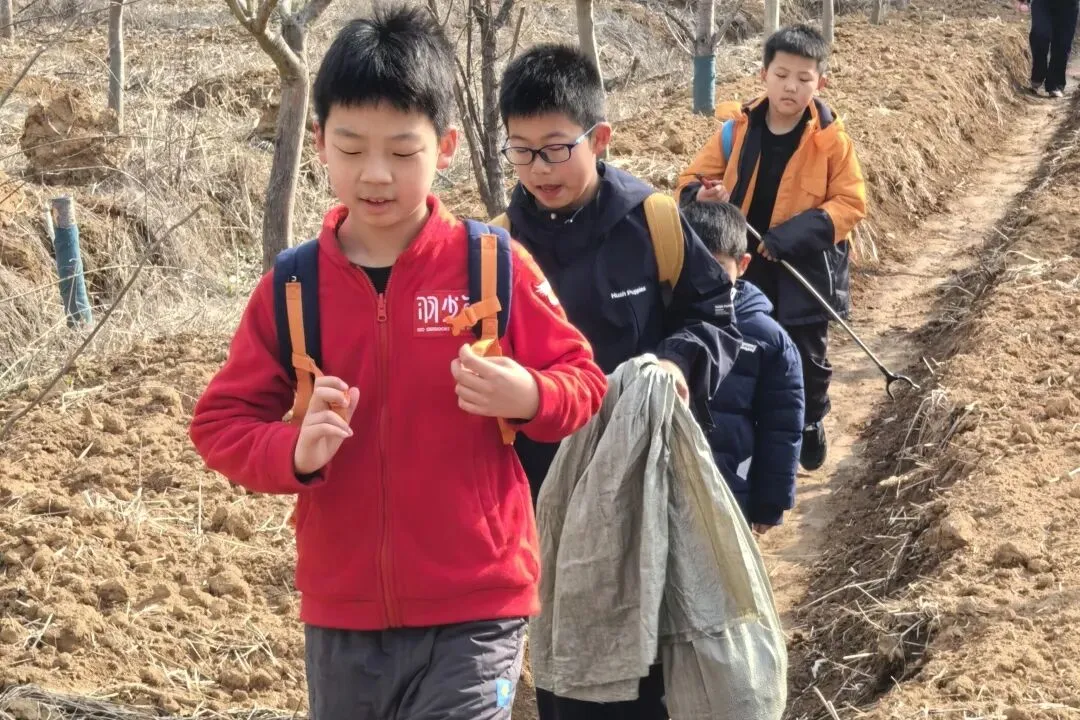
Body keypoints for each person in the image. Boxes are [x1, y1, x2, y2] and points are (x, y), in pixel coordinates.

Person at [187, 7, 608, 720]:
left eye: (402, 151)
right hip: (343, 612)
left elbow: (584, 382)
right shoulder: (294, 287)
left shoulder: (490, 264)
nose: (375, 174)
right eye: (352, 148)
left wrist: (530, 395)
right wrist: (294, 451)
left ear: (445, 147)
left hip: (478, 604)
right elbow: (220, 423)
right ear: (319, 142)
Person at [496, 43, 742, 720]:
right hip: (548, 493)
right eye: (522, 151)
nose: (539, 169)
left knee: (651, 666)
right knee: (568, 666)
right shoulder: (496, 248)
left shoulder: (651, 220)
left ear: (598, 138)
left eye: (556, 148)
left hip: (645, 487)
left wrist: (678, 363)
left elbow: (713, 315)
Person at [677, 24, 867, 472]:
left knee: (806, 355)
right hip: (744, 262)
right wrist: (702, 195)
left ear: (821, 82)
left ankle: (810, 419)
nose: (791, 86)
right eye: (782, 75)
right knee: (743, 345)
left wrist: (792, 235)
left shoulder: (832, 141)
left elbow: (850, 203)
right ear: (764, 75)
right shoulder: (736, 131)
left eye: (804, 78)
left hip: (804, 269)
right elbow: (689, 181)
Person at [682, 201, 804, 534]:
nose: (705, 276)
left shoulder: (768, 339)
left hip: (732, 489)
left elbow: (782, 426)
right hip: (671, 489)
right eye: (695, 262)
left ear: (743, 265)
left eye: (718, 266)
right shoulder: (662, 319)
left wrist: (770, 502)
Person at [1017, 0, 1079, 98]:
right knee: (1040, 35)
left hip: (1069, 6)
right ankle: (1038, 74)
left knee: (1062, 45)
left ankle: (1055, 84)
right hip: (1042, 3)